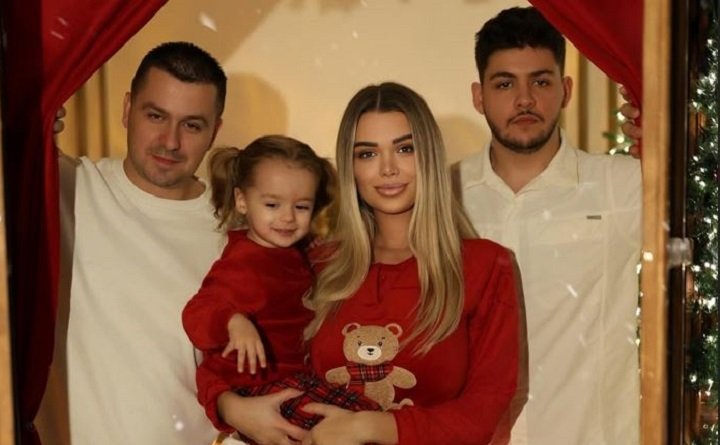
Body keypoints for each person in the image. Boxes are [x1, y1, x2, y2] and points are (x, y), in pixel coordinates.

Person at [215, 82, 524, 445]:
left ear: (429, 156)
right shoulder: (313, 263)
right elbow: (228, 349)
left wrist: (371, 427)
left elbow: (484, 412)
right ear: (350, 167)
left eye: (405, 149)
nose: (388, 169)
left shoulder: (485, 265)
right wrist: (229, 406)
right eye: (367, 154)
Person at [34, 41, 244, 445]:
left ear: (214, 131)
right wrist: (31, 124)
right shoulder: (64, 186)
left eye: (192, 125)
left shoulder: (234, 234)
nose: (170, 141)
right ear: (127, 109)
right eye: (156, 116)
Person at [454, 6, 642, 444]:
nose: (524, 100)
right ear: (479, 97)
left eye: (540, 82)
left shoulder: (622, 185)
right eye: (505, 84)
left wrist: (667, 134)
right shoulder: (444, 195)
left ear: (565, 90)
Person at [183, 135, 384, 443]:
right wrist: (233, 321)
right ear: (241, 201)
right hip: (256, 387)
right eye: (272, 204)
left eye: (301, 206)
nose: (288, 217)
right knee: (348, 431)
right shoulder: (243, 262)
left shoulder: (292, 251)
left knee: (368, 419)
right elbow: (197, 313)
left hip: (296, 379)